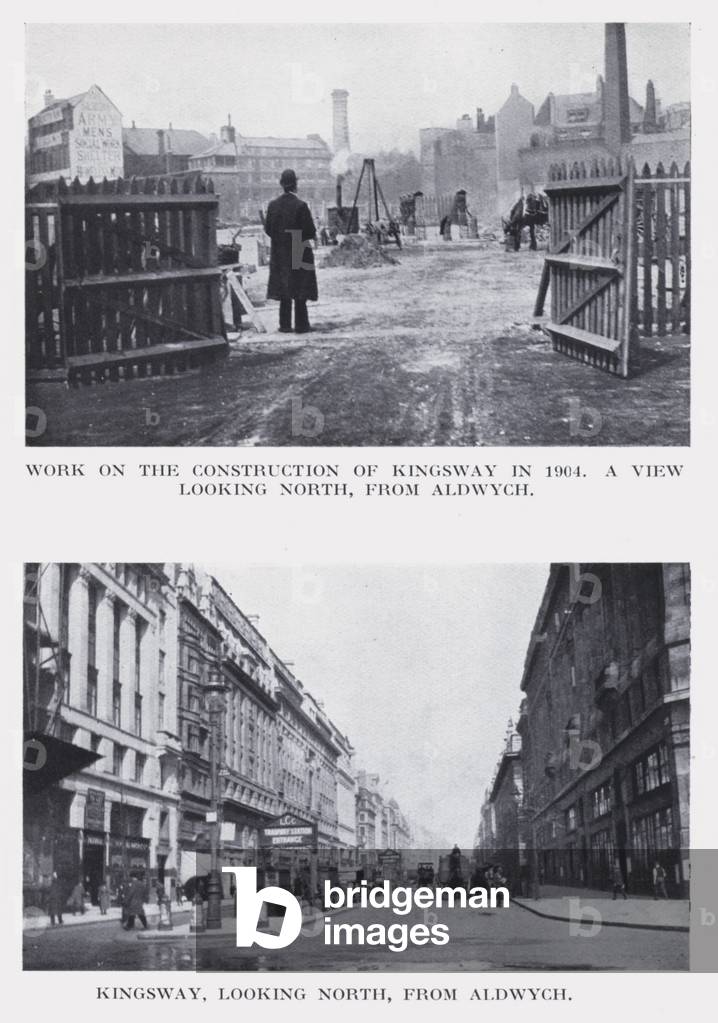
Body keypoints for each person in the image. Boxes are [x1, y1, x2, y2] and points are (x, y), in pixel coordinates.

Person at [264, 169, 318, 334]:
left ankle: (285, 325)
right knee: (300, 287)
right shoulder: (301, 205)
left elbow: (268, 229)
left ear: (282, 185)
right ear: (295, 184)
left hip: (280, 251)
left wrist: (281, 239)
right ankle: (302, 325)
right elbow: (309, 231)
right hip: (298, 248)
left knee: (283, 287)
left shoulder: (272, 205)